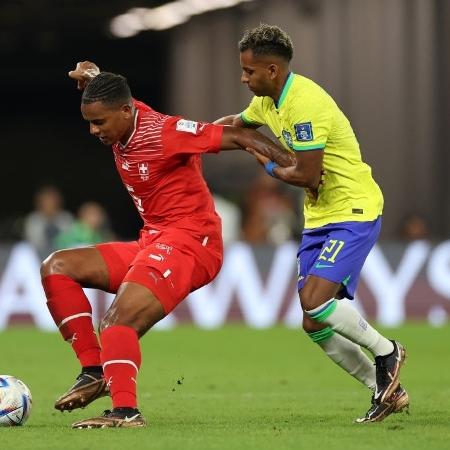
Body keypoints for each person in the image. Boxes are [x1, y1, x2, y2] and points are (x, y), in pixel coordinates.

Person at [40, 61, 295, 429]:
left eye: (100, 123)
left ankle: (126, 412)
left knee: (117, 320)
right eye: (90, 123)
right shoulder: (124, 112)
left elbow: (239, 136)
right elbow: (112, 89)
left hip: (192, 243)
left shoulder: (165, 132)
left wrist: (294, 166)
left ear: (127, 112)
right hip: (154, 239)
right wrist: (93, 75)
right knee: (56, 267)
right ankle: (94, 370)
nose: (94, 131)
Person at [215, 24, 408, 423]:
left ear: (271, 70)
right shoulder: (269, 101)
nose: (243, 78)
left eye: (249, 72)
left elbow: (305, 174)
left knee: (316, 300)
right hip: (320, 217)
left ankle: (388, 352)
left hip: (352, 209)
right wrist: (187, 136)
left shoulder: (305, 103)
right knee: (313, 322)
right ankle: (384, 389)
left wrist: (264, 159)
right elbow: (236, 125)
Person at [23, 185, 73, 258]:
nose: (49, 204)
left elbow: (70, 241)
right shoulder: (33, 219)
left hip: (62, 257)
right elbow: (34, 242)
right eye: (46, 200)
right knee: (23, 249)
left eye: (52, 200)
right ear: (40, 203)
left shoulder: (65, 218)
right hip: (38, 257)